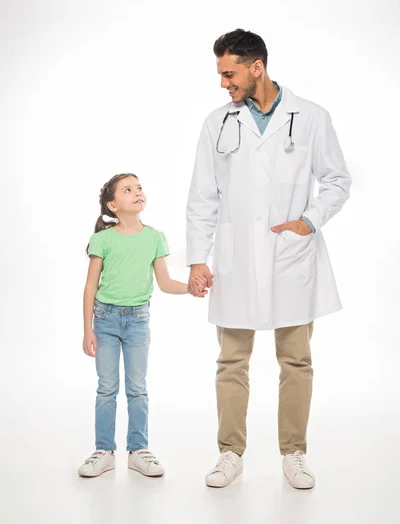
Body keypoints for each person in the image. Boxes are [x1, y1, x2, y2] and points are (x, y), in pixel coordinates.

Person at [186, 29, 351, 489]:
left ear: (256, 67)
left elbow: (337, 180)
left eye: (229, 73)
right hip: (236, 256)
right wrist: (198, 258)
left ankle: (294, 453)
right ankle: (229, 453)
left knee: (295, 359)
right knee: (231, 359)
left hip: (291, 254)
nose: (224, 83)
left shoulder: (312, 117)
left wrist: (310, 221)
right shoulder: (216, 123)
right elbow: (203, 196)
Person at [78, 173, 205, 478]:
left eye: (139, 188)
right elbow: (90, 288)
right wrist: (87, 330)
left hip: (137, 321)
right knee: (107, 388)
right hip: (105, 320)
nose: (137, 192)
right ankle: (104, 451)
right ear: (113, 204)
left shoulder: (154, 237)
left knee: (137, 388)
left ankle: (138, 450)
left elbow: (164, 282)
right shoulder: (103, 239)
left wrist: (188, 287)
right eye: (127, 190)